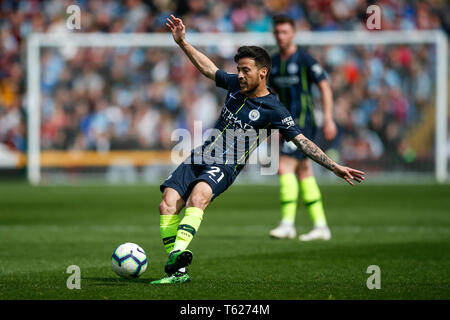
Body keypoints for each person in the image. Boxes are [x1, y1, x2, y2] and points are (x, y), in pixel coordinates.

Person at [151, 15, 364, 285]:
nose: (239, 75)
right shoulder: (234, 86)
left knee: (198, 198)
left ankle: (178, 260)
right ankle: (177, 266)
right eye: (238, 70)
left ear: (262, 73)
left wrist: (334, 166)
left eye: (245, 70)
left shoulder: (274, 109)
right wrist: (183, 43)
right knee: (167, 204)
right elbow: (209, 69)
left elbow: (302, 141)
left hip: (224, 165)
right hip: (200, 155)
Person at [268, 15, 337, 241]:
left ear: (293, 33)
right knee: (304, 171)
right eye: (277, 32)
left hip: (304, 123)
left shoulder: (305, 58)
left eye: (285, 32)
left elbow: (325, 86)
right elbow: (272, 96)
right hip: (285, 125)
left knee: (284, 167)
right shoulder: (275, 63)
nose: (281, 36)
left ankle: (287, 224)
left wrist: (328, 119)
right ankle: (321, 226)